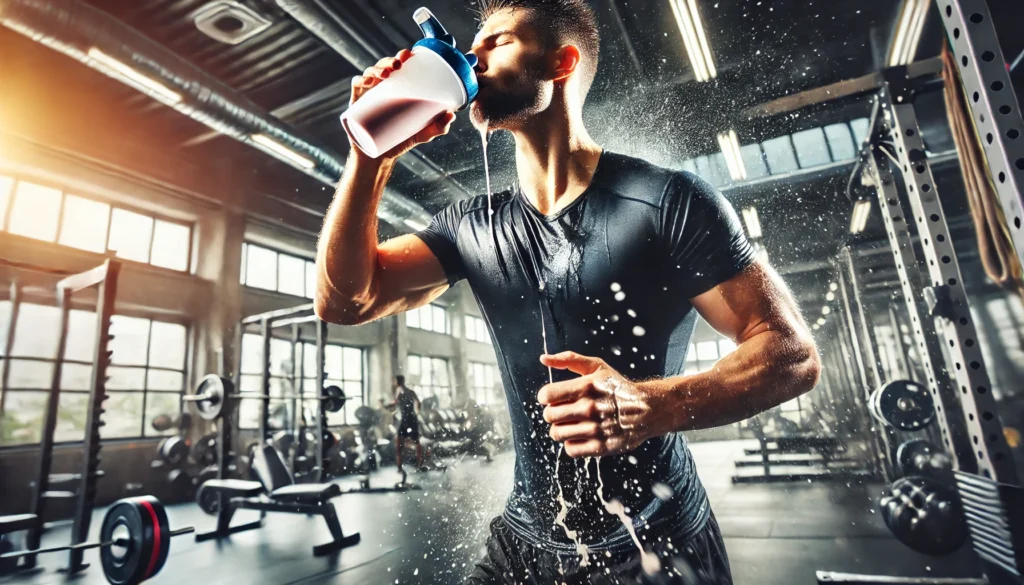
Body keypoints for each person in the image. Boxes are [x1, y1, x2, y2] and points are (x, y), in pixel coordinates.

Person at [315, 1, 821, 582]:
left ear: (561, 63)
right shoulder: (470, 225)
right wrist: (369, 157)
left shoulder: (667, 201)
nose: (473, 55)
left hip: (655, 540)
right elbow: (344, 301)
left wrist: (654, 405)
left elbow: (792, 353)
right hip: (523, 541)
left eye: (497, 42)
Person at [386, 375, 424, 471]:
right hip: (411, 418)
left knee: (400, 444)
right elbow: (418, 402)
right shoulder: (410, 391)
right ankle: (419, 464)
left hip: (406, 419)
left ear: (397, 382)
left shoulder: (399, 391)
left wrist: (386, 406)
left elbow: (394, 404)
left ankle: (400, 467)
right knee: (416, 442)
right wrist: (417, 411)